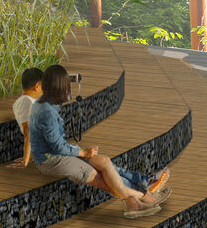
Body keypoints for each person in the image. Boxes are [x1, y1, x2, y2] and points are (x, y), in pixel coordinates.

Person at [29, 64, 168, 218]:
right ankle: (146, 197)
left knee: (104, 162)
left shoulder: (47, 102)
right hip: (52, 160)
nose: (68, 89)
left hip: (60, 153)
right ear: (59, 86)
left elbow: (58, 143)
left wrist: (82, 152)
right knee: (101, 178)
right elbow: (57, 147)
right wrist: (82, 152)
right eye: (66, 85)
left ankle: (137, 196)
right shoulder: (46, 112)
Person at [13, 66, 44, 167]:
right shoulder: (26, 101)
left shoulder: (29, 101)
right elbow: (28, 133)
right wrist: (25, 161)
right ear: (37, 86)